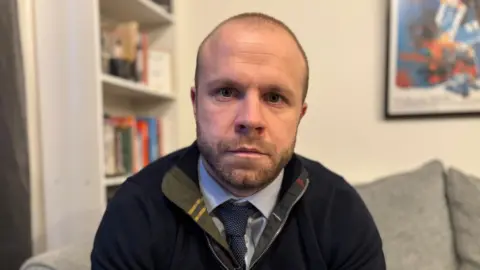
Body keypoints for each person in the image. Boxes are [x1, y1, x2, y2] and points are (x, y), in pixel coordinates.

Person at [91, 12, 386, 270]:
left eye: (274, 97)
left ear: (300, 114)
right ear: (195, 103)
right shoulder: (135, 210)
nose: (250, 119)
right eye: (226, 92)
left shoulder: (341, 211)